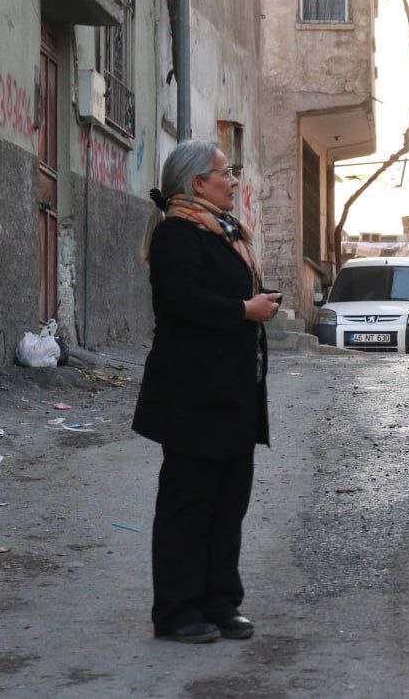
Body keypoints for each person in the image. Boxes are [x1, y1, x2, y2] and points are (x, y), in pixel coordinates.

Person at [132, 139, 282, 644]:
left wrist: (254, 304)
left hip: (233, 390)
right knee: (189, 503)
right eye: (225, 172)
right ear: (199, 183)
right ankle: (176, 609)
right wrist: (244, 310)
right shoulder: (177, 233)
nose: (233, 180)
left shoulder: (223, 231)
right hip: (193, 394)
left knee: (228, 501)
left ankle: (220, 601)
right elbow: (179, 302)